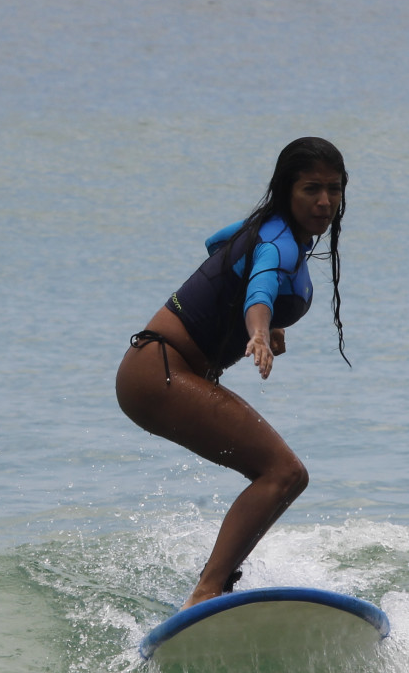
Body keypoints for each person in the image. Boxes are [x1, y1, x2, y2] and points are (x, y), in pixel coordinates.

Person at [115, 136, 349, 608]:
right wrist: (259, 329)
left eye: (334, 188)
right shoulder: (279, 245)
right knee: (284, 473)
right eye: (310, 189)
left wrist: (266, 319)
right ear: (287, 190)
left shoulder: (267, 228)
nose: (324, 201)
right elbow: (260, 287)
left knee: (280, 473)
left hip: (151, 367)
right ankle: (207, 591)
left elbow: (218, 243)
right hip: (160, 369)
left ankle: (211, 586)